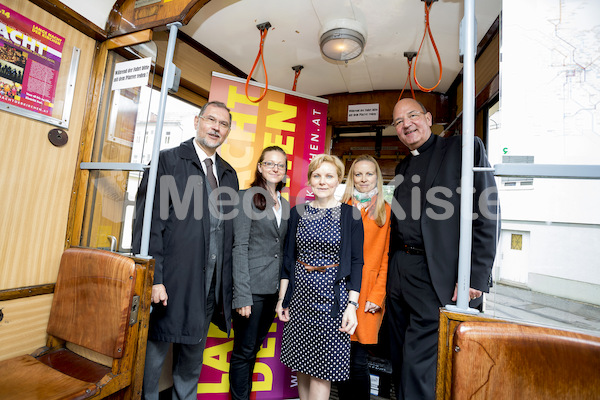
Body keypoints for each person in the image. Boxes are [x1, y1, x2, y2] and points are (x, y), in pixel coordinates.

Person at [387, 98, 499, 399]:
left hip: (436, 275)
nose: (406, 124)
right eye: (398, 122)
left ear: (428, 117)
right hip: (399, 271)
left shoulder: (462, 149)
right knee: (398, 357)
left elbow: (487, 212)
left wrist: (476, 277)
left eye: (411, 116)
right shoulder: (403, 164)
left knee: (419, 363)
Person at [132, 101, 239, 400]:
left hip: (208, 286)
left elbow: (227, 233)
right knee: (152, 358)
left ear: (228, 132)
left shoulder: (228, 174)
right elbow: (149, 224)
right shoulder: (167, 161)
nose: (216, 127)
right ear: (197, 121)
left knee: (192, 360)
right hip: (170, 282)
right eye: (211, 120)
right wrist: (155, 278)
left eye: (224, 124)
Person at [276, 154, 364, 400]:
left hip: (332, 301)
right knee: (302, 365)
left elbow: (357, 263)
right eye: (317, 175)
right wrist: (283, 299)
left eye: (329, 176)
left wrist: (352, 306)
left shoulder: (351, 215)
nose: (322, 181)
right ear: (310, 180)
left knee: (322, 371)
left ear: (338, 180)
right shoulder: (298, 212)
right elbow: (288, 259)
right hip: (300, 299)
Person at [229, 146, 290, 400]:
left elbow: (282, 250)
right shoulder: (247, 197)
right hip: (251, 290)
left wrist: (283, 296)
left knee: (253, 349)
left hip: (273, 289)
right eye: (270, 163)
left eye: (280, 165)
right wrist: (242, 295)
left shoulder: (284, 205)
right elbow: (239, 246)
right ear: (260, 167)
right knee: (243, 352)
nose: (275, 168)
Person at [337, 155, 392, 399]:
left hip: (369, 291)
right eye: (358, 174)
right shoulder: (341, 206)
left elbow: (386, 258)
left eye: (369, 174)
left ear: (377, 177)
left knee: (358, 361)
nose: (363, 179)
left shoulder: (386, 210)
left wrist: (378, 295)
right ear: (351, 178)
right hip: (340, 288)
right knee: (340, 358)